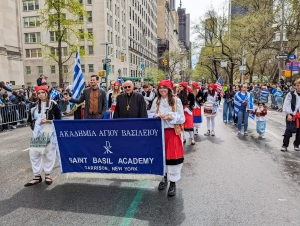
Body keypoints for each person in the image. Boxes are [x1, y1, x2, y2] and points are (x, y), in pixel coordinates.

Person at [150, 80, 185, 196]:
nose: (162, 90)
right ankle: (163, 179)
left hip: (172, 132)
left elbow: (182, 118)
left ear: (169, 89)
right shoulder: (157, 100)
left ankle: (173, 183)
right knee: (161, 157)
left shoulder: (176, 100)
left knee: (172, 157)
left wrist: (171, 117)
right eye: (160, 88)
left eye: (164, 88)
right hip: (159, 132)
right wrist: (156, 116)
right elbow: (150, 114)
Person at [25, 85, 61, 187]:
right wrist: (35, 126)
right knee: (34, 154)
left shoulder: (53, 104)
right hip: (37, 132)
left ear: (46, 93)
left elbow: (59, 119)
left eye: (42, 93)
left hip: (49, 131)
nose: (40, 95)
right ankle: (37, 176)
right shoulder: (35, 106)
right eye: (39, 93)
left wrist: (48, 121)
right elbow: (30, 119)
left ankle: (47, 175)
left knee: (49, 153)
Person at [281, 79, 300, 152]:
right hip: (292, 114)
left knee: (299, 131)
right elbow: (287, 104)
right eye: (297, 85)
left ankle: (297, 144)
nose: (299, 87)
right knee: (288, 130)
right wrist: (288, 114)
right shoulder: (291, 94)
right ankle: (285, 145)